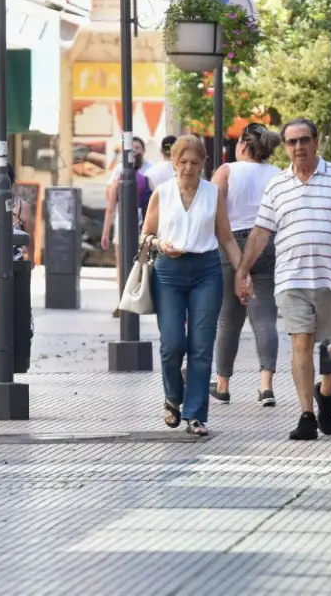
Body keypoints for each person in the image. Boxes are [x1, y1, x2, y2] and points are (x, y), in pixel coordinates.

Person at [235, 118, 331, 441]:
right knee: (301, 343)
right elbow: (260, 233)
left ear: (315, 141)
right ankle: (306, 414)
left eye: (303, 140)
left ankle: (325, 392)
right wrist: (242, 269)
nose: (297, 147)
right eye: (291, 142)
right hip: (291, 279)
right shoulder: (277, 185)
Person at [142, 135, 242, 437]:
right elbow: (145, 235)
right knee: (172, 343)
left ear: (203, 164)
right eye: (182, 162)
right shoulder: (162, 193)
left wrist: (242, 272)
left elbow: (226, 237)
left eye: (194, 162)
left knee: (201, 345)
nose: (188, 168)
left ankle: (195, 414)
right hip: (168, 272)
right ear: (174, 163)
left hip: (206, 271)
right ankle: (173, 397)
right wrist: (161, 244)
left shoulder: (213, 194)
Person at [210, 123, 282, 406]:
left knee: (229, 319)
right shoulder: (278, 175)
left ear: (242, 144)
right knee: (265, 317)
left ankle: (224, 384)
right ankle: (266, 387)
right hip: (267, 243)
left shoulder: (226, 171)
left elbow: (212, 212)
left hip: (232, 245)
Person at [101, 137, 153, 253]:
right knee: (132, 261)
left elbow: (110, 205)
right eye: (132, 148)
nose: (134, 151)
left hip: (139, 219)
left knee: (132, 261)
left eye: (137, 148)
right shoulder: (120, 169)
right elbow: (110, 201)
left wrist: (105, 233)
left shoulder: (151, 169)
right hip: (129, 218)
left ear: (143, 151)